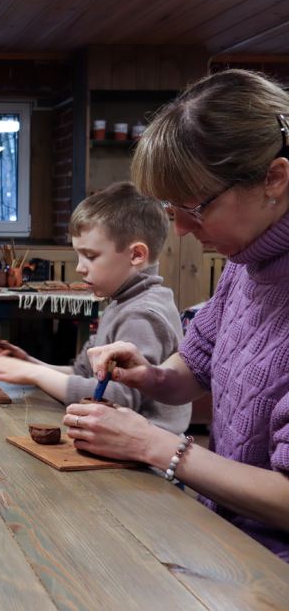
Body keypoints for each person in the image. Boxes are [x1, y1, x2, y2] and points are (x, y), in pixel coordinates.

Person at [67, 69, 289, 562]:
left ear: (274, 178)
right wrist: (150, 376)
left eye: (196, 207)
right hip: (223, 540)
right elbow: (194, 372)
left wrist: (156, 445)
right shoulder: (246, 260)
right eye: (173, 210)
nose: (184, 230)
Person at [0, 182, 189, 434]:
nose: (80, 267)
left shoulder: (143, 315)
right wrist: (32, 365)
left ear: (136, 255)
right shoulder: (120, 303)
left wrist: (35, 375)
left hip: (145, 462)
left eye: (90, 256)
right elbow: (84, 374)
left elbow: (119, 399)